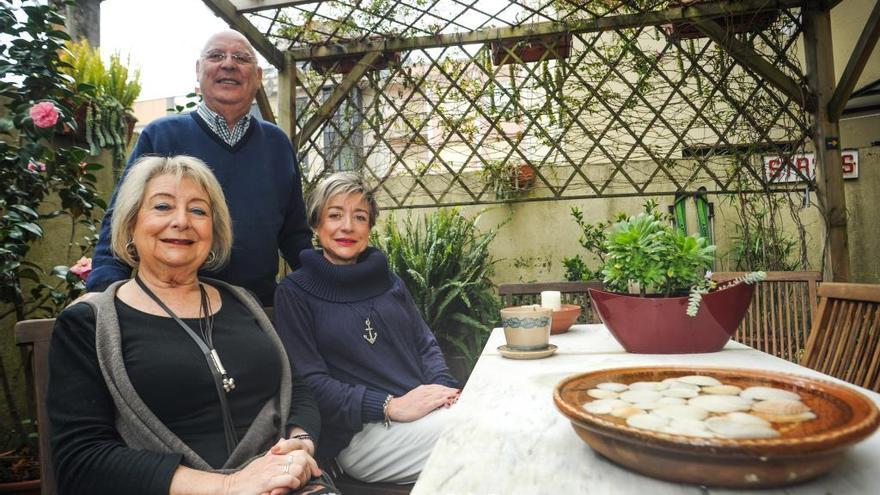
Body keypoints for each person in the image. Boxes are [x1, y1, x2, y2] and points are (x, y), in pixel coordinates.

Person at [47, 156, 334, 495]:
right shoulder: (90, 323)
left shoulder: (243, 302)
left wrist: (300, 444)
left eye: (198, 211)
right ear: (130, 224)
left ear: (214, 231)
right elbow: (82, 461)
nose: (181, 221)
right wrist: (228, 486)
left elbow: (294, 386)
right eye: (163, 206)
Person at [86, 30, 311, 306]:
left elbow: (295, 235)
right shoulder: (161, 136)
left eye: (241, 58)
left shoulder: (277, 143)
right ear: (198, 70)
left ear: (258, 77)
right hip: (173, 312)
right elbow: (120, 223)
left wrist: (322, 290)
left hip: (258, 312)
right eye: (216, 56)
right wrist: (102, 296)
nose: (228, 64)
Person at [274, 172, 460, 484]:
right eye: (335, 215)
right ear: (316, 224)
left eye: (359, 217)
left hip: (428, 416)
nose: (347, 226)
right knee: (485, 438)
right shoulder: (295, 293)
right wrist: (389, 406)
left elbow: (424, 344)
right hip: (361, 435)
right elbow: (312, 384)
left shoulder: (389, 281)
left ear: (369, 227)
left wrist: (442, 391)